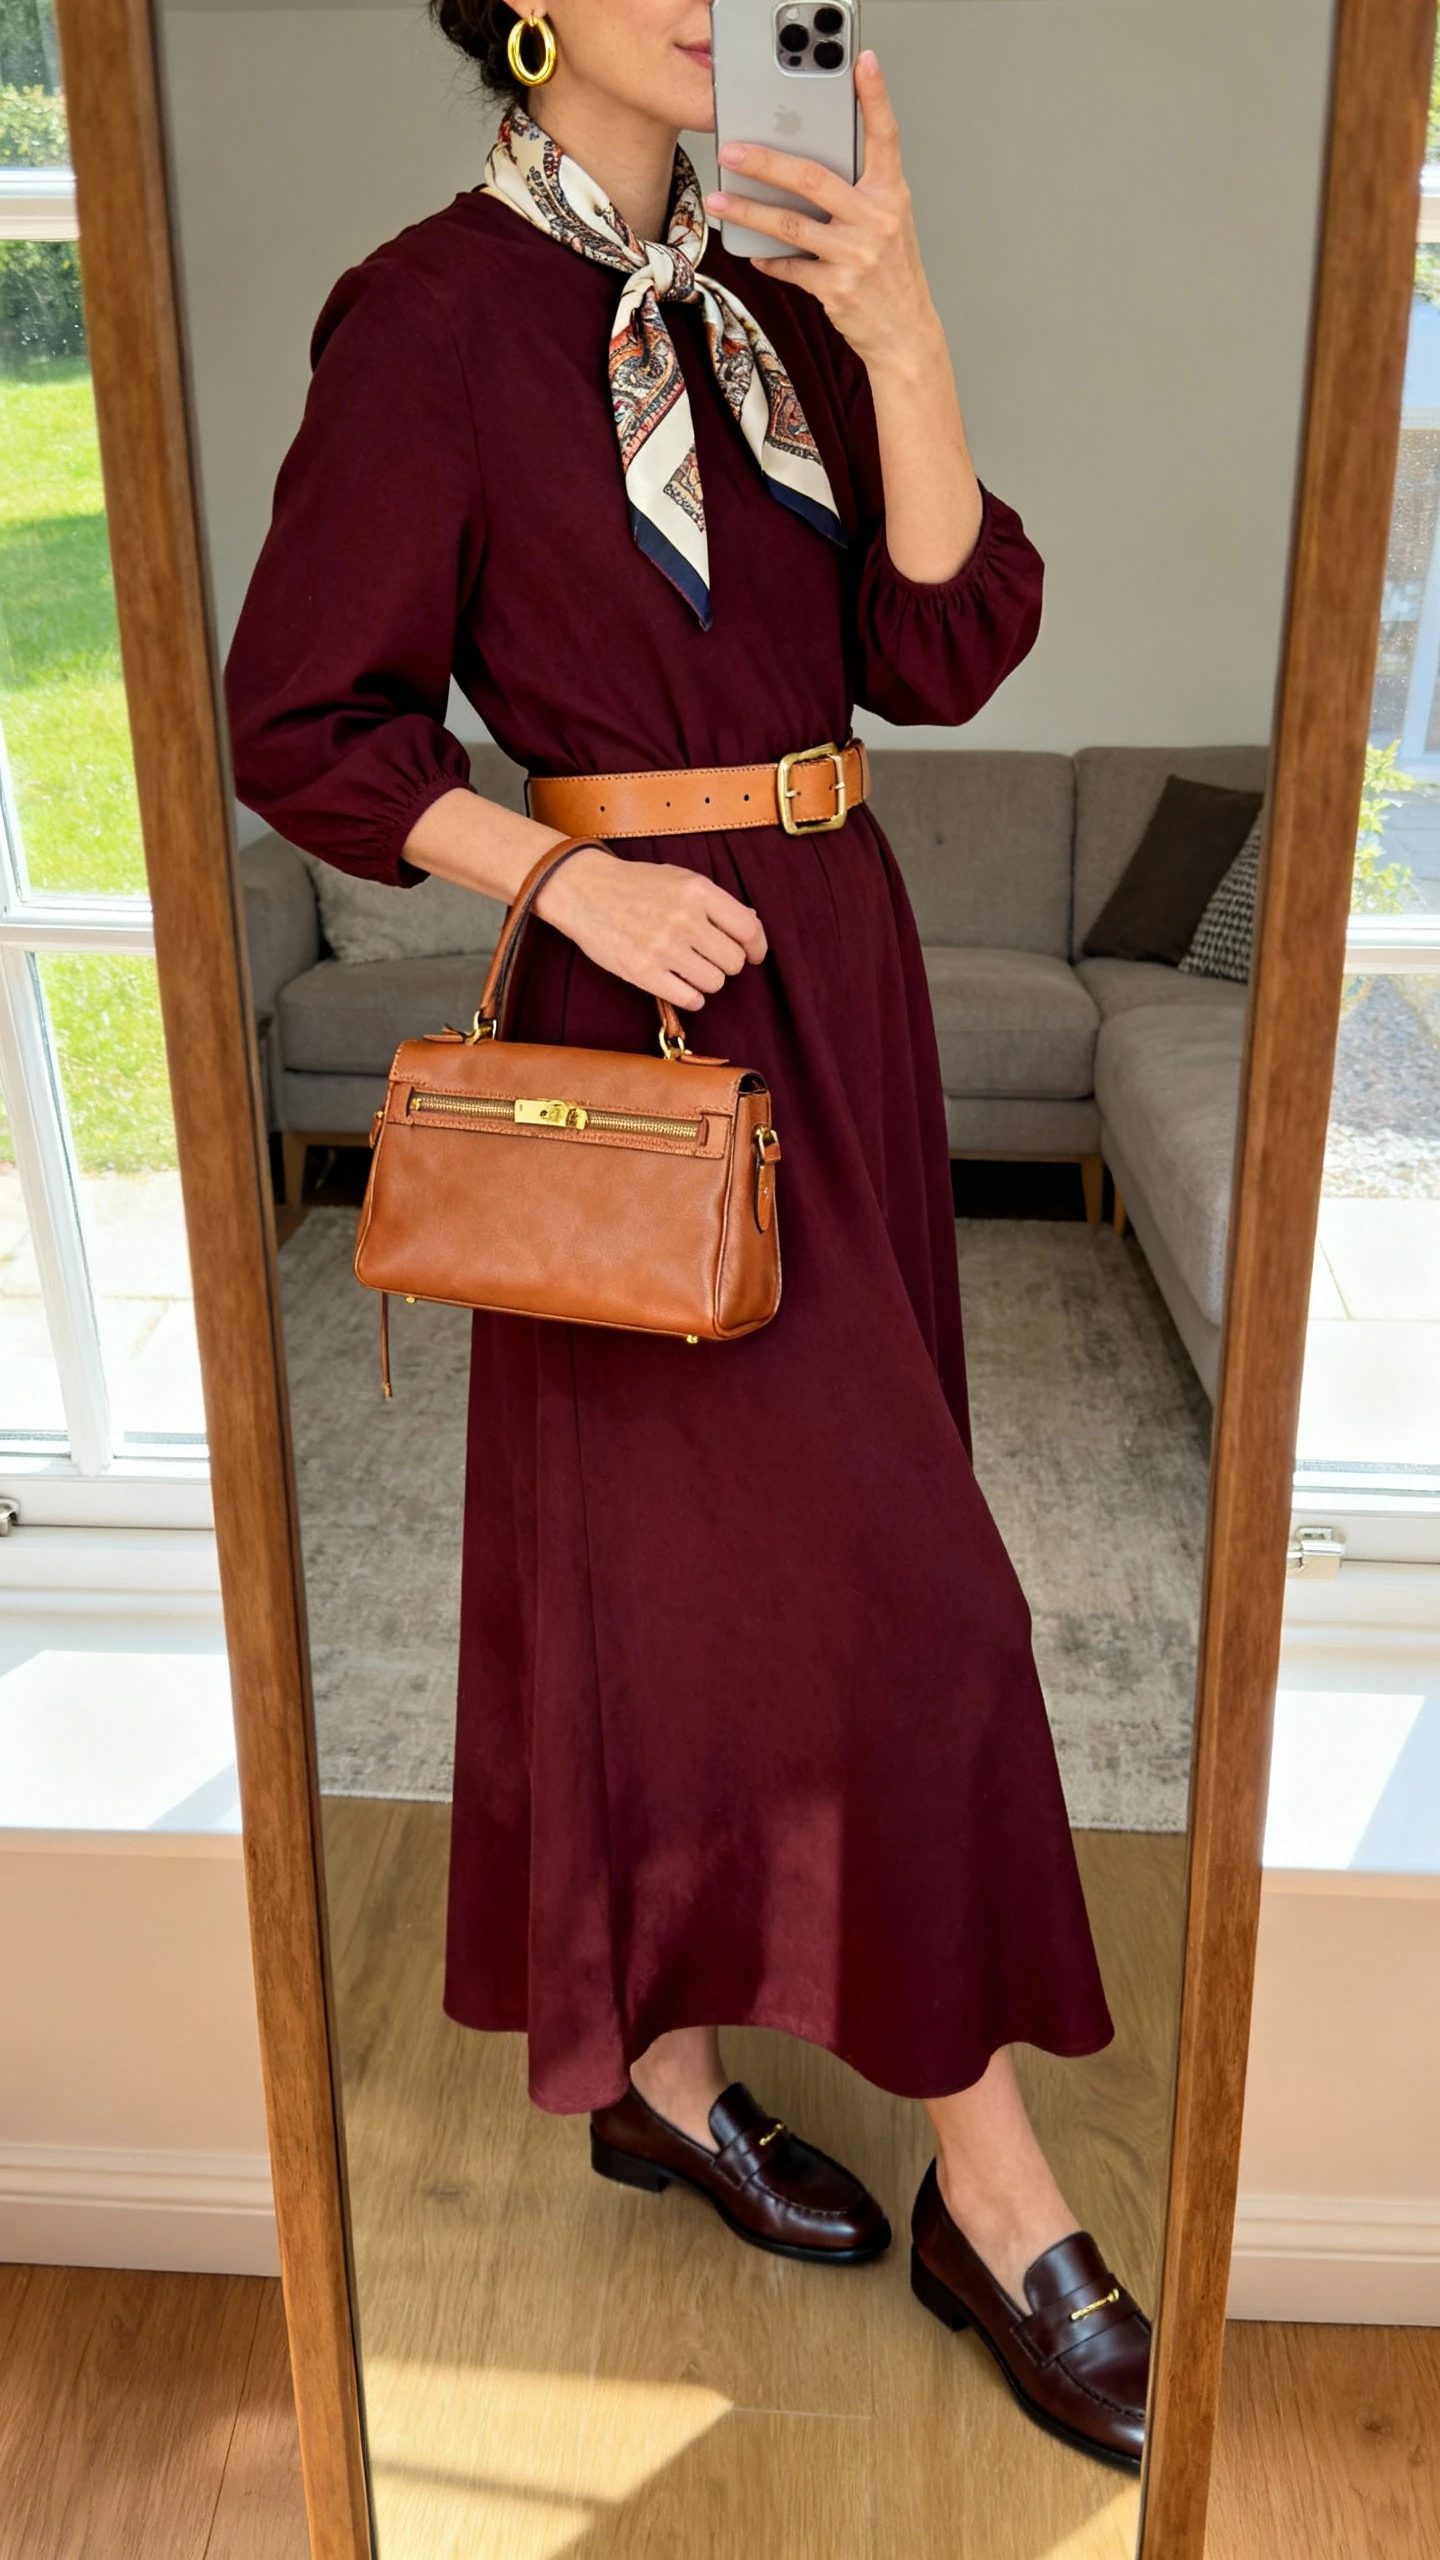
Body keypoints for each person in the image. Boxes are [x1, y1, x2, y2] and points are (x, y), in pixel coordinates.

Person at [225, 0, 1151, 2470]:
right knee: (893, 1592)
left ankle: (651, 2065)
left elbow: (947, 642)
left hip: (836, 985)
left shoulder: (774, 294)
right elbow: (306, 716)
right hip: (643, 1021)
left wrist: (905, 303)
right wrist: (565, 877)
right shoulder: (426, 312)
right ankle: (992, 2186)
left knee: (754, 1589)